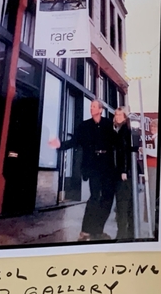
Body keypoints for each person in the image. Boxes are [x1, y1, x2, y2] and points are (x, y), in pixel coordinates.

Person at [50, 100, 117, 242]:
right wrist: (60, 144)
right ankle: (85, 231)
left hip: (107, 165)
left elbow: (115, 142)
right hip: (93, 166)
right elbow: (74, 141)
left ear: (100, 109)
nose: (91, 108)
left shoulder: (107, 124)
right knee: (94, 197)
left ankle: (98, 230)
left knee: (107, 198)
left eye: (94, 106)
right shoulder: (84, 126)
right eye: (90, 106)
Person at [113, 107, 136, 240]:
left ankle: (122, 234)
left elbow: (124, 152)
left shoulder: (123, 131)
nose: (117, 117)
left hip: (123, 173)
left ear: (125, 117)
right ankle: (129, 232)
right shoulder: (121, 130)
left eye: (120, 115)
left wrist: (123, 170)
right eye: (116, 115)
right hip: (123, 171)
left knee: (123, 203)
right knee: (127, 203)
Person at [144, 118, 158, 237]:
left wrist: (145, 150)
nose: (152, 129)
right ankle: (152, 225)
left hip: (153, 168)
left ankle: (153, 226)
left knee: (152, 196)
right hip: (151, 168)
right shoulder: (155, 138)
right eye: (152, 127)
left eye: (155, 127)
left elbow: (157, 153)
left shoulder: (157, 138)